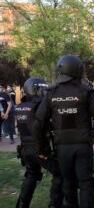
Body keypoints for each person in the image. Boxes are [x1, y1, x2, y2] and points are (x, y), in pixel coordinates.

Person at [32, 55, 94, 208]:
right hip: (83, 145)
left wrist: (42, 148)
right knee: (86, 182)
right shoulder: (85, 92)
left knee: (68, 181)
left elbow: (38, 124)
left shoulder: (52, 93)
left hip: (62, 147)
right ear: (78, 70)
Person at [15, 77, 64, 208]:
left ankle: (22, 204)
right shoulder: (39, 105)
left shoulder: (20, 106)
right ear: (35, 89)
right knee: (60, 173)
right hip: (39, 148)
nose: (45, 92)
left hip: (25, 149)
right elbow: (47, 125)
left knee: (31, 175)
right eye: (43, 89)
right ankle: (55, 204)